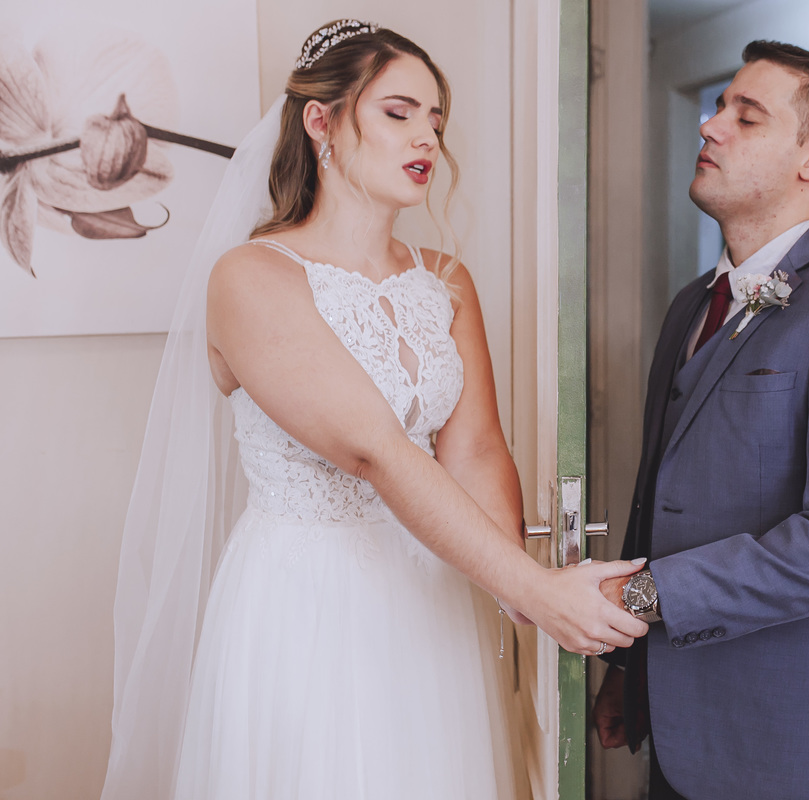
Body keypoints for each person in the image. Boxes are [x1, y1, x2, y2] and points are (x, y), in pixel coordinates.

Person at [101, 20, 646, 800]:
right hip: (307, 595)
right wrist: (536, 589)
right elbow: (374, 450)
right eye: (398, 112)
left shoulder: (445, 279)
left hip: (436, 589)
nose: (427, 137)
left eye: (435, 119)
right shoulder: (252, 276)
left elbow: (476, 449)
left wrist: (515, 595)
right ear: (320, 122)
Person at [592, 41, 809, 800]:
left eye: (746, 117)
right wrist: (628, 663)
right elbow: (662, 495)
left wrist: (640, 597)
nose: (710, 126)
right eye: (720, 107)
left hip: (797, 743)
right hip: (679, 720)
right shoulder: (691, 304)